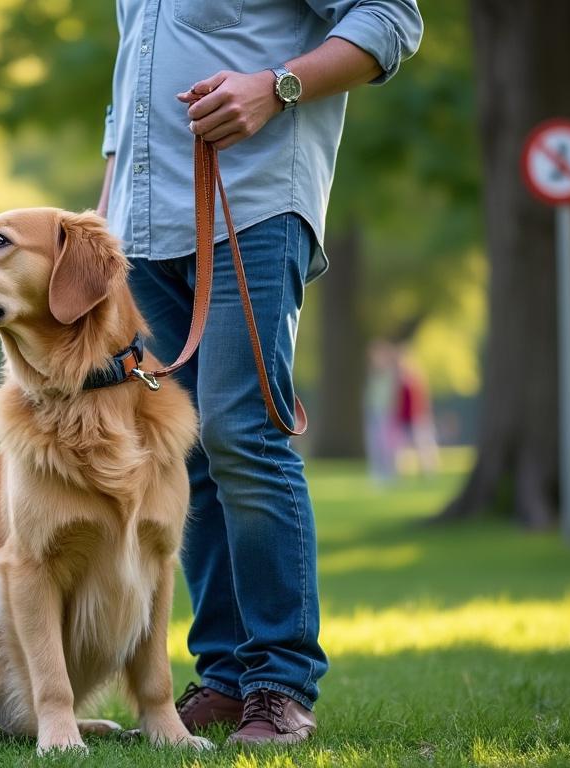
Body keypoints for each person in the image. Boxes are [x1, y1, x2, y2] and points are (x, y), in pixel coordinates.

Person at [97, 0, 423, 745]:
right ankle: (224, 679)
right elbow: (132, 77)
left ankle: (280, 683)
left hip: (252, 207)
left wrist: (276, 86)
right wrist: (104, 221)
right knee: (186, 451)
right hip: (139, 231)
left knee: (242, 433)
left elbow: (389, 17)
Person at [364, 341, 401, 485]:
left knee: (387, 444)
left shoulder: (391, 373)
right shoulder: (372, 373)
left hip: (386, 412)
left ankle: (388, 473)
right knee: (374, 443)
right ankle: (377, 473)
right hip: (374, 411)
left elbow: (393, 395)